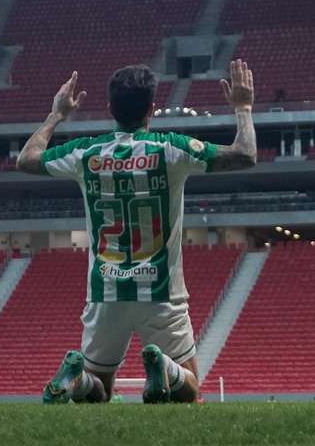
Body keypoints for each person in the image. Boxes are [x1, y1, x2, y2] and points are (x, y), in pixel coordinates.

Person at [16, 60, 256, 404]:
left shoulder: (87, 153)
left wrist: (57, 115)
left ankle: (80, 381)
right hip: (161, 292)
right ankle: (166, 369)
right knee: (190, 392)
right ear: (152, 109)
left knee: (98, 393)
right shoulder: (171, 148)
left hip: (105, 291)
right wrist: (243, 107)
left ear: (110, 108)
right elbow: (245, 154)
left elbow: (27, 159)